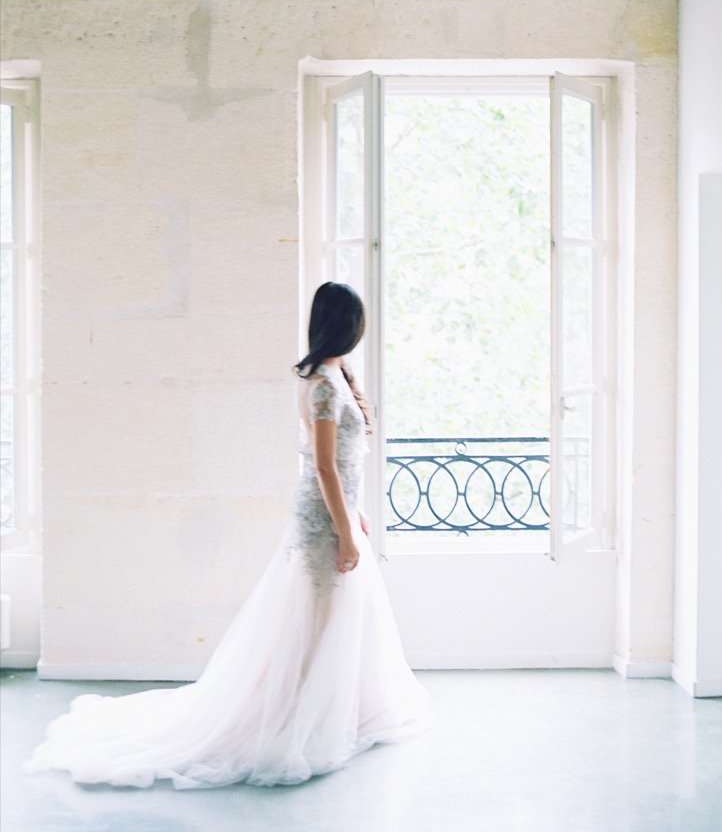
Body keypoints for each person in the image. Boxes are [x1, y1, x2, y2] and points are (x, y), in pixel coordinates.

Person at [27, 282, 430, 788]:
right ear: (347, 325)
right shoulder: (324, 384)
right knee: (316, 619)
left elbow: (340, 469)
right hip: (322, 517)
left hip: (336, 511)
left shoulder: (331, 374)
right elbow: (325, 466)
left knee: (332, 619)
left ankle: (325, 708)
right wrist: (345, 530)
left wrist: (355, 514)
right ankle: (290, 715)